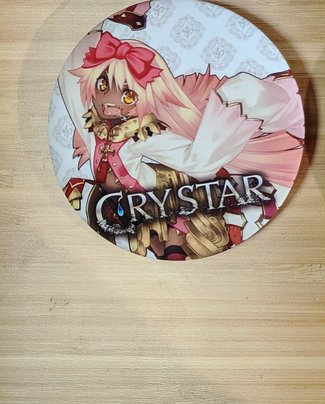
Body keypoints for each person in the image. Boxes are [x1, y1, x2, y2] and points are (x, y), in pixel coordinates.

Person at [56, 30, 304, 259]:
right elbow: (71, 78)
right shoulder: (92, 127)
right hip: (123, 207)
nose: (110, 100)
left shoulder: (141, 134)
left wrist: (235, 109)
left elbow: (193, 161)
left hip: (160, 201)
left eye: (128, 95)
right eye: (102, 85)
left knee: (174, 246)